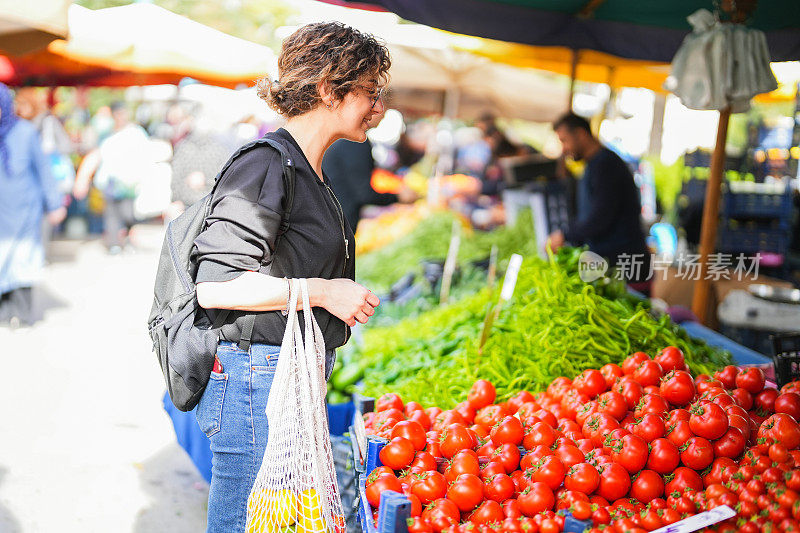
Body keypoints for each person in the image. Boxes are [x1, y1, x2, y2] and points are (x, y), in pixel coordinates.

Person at [190, 22, 389, 532]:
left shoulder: (307, 168)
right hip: (255, 381)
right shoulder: (265, 164)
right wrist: (327, 291)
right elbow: (216, 283)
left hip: (279, 376)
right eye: (370, 91)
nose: (379, 107)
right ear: (328, 87)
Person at [547, 113, 650, 284]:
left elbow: (599, 218)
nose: (563, 148)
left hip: (625, 266)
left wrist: (564, 235)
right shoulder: (594, 165)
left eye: (564, 140)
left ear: (580, 134)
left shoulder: (606, 166)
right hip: (610, 264)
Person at [0, 83, 67, 326]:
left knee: (22, 259)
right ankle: (5, 312)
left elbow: (44, 171)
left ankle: (24, 315)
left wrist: (55, 204)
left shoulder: (26, 133)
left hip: (25, 210)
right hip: (1, 213)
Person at [73, 102, 150, 254]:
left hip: (130, 182)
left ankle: (127, 238)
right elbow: (96, 155)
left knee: (128, 213)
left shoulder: (136, 133)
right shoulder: (106, 135)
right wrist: (82, 178)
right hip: (110, 182)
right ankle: (114, 243)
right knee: (112, 215)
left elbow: (146, 157)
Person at [322, 111, 417, 230]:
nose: (380, 111)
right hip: (337, 223)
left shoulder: (344, 139)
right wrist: (398, 197)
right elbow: (364, 193)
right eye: (372, 100)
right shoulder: (354, 142)